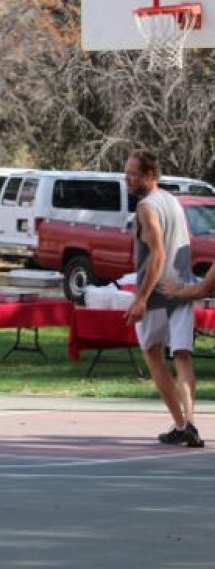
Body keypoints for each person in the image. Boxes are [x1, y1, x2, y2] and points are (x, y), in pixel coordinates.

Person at [123, 149, 203, 447]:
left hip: (157, 293)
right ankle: (191, 422)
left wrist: (141, 298)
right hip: (182, 287)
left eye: (132, 173)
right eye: (126, 171)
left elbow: (159, 253)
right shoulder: (173, 201)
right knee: (182, 356)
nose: (127, 178)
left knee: (153, 354)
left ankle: (182, 424)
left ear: (150, 176)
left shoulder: (146, 207)